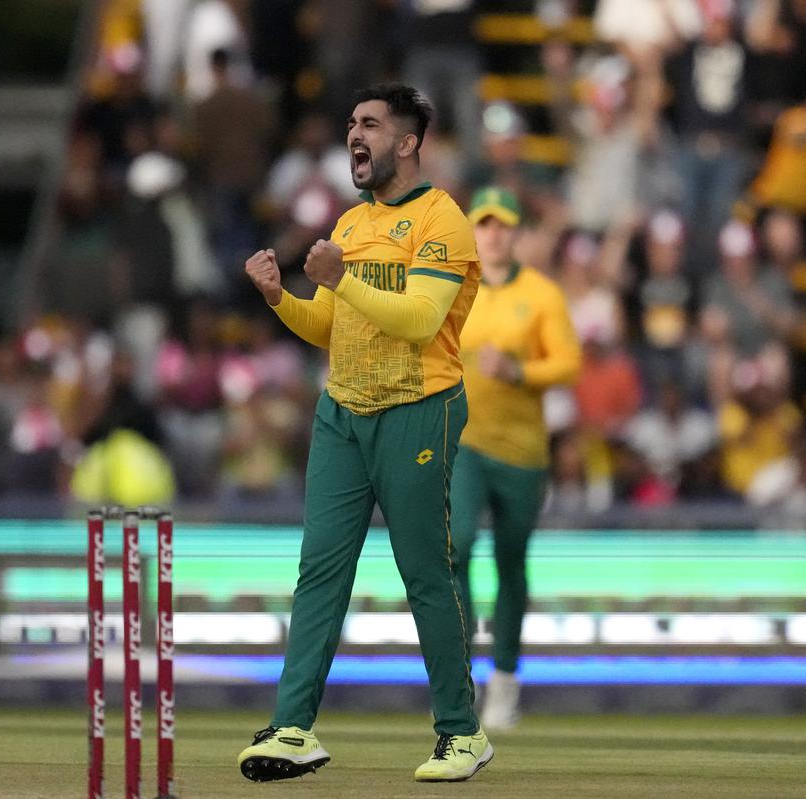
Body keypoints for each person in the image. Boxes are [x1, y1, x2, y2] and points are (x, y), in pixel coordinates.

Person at [239, 83, 491, 782]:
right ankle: (292, 727)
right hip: (343, 411)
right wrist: (281, 298)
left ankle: (462, 732)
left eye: (371, 124)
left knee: (425, 575)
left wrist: (341, 280)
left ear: (407, 143)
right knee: (320, 570)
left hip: (419, 406)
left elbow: (417, 320)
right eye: (352, 123)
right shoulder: (351, 224)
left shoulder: (444, 221)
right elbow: (330, 327)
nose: (356, 134)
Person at [449, 187, 582, 731]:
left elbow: (569, 364)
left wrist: (520, 372)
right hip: (464, 443)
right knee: (455, 549)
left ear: (516, 233)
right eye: (484, 224)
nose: (494, 234)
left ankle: (504, 681)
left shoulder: (541, 294)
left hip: (523, 451)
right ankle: (458, 676)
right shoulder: (456, 290)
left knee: (511, 562)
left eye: (503, 225)